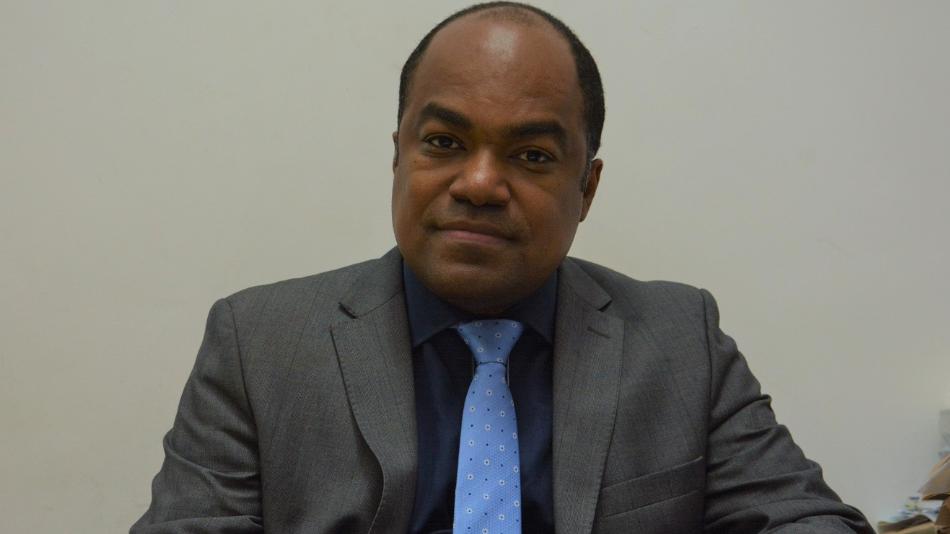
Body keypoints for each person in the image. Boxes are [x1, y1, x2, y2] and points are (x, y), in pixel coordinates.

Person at [132, 3, 873, 533]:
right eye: (444, 143)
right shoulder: (259, 344)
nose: (481, 183)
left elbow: (803, 518)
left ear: (587, 189)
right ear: (399, 157)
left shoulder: (681, 340)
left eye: (532, 155)